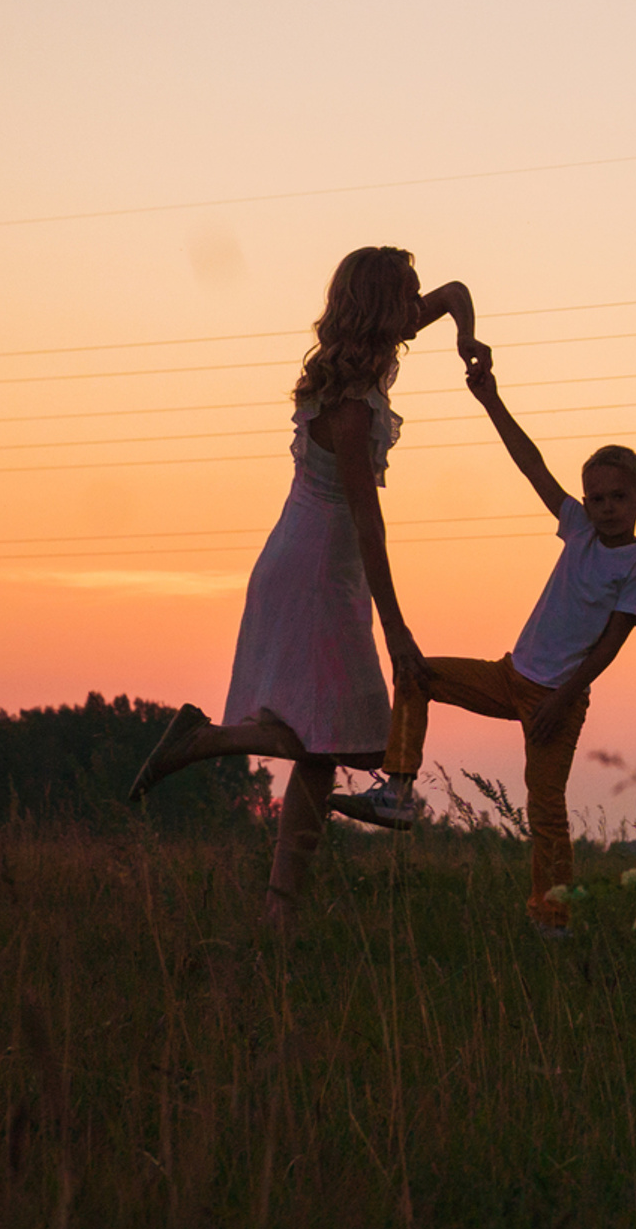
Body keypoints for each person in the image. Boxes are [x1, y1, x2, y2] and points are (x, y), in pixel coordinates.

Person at [129, 247, 475, 926]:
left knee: (327, 744)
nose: (418, 308)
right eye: (406, 297)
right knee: (356, 743)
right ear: (381, 308)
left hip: (305, 562)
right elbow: (367, 525)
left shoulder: (360, 369)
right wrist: (397, 627)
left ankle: (280, 910)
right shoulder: (351, 411)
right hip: (319, 572)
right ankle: (207, 740)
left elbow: (455, 292)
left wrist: (467, 338)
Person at [349, 346, 636, 938]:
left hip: (558, 700)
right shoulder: (578, 532)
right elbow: (532, 466)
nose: (606, 508)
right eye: (596, 498)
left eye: (619, 498)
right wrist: (490, 398)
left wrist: (562, 699)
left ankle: (554, 918)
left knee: (545, 811)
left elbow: (609, 646)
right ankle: (399, 786)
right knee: (415, 672)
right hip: (510, 676)